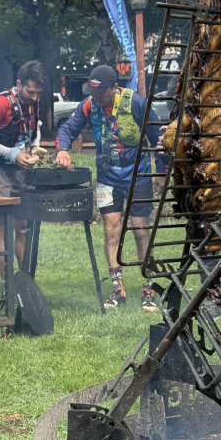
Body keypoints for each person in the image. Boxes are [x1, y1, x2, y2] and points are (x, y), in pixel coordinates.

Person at [56, 65, 167, 312]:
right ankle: (118, 288)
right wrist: (63, 148)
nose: (96, 97)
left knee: (140, 230)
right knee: (111, 229)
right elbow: (67, 129)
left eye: (101, 92)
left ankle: (148, 286)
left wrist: (161, 170)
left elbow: (158, 137)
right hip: (106, 178)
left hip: (138, 177)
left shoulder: (135, 103)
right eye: (93, 91)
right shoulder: (89, 105)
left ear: (114, 87)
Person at [0, 60, 46, 282]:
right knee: (4, 229)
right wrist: (10, 154)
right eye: (31, 92)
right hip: (1, 171)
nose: (35, 98)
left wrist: (35, 146)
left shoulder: (33, 101)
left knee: (23, 226)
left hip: (24, 170)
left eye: (38, 93)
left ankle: (25, 282)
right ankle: (6, 284)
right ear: (18, 84)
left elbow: (35, 128)